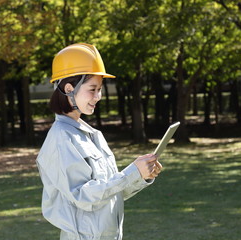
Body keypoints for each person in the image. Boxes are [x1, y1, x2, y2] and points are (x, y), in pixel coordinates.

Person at [36, 43, 163, 240]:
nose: (98, 97)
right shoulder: (61, 139)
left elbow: (111, 192)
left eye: (100, 89)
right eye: (92, 89)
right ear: (70, 89)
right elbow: (83, 196)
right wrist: (130, 172)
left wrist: (141, 176)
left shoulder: (92, 134)